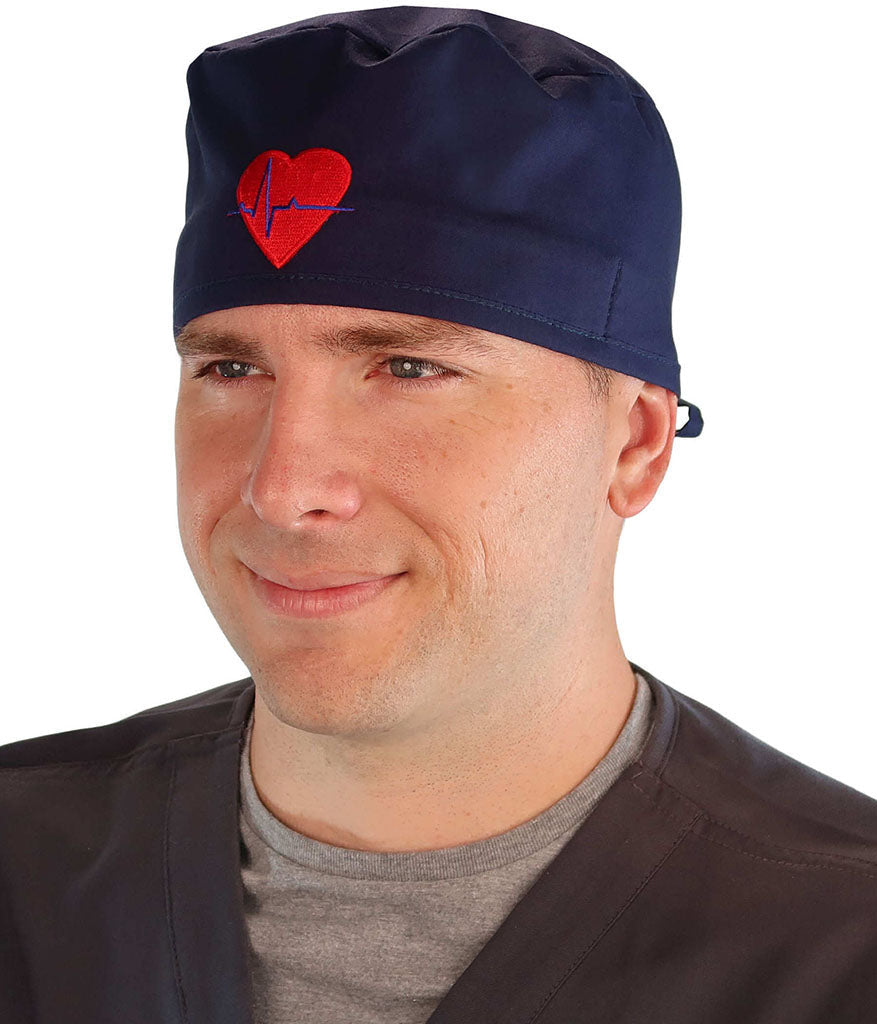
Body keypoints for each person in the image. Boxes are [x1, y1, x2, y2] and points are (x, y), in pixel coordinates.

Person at [1, 7, 874, 1022]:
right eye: (231, 369)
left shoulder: (839, 950)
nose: (281, 487)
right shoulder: (23, 871)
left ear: (634, 444)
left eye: (409, 368)